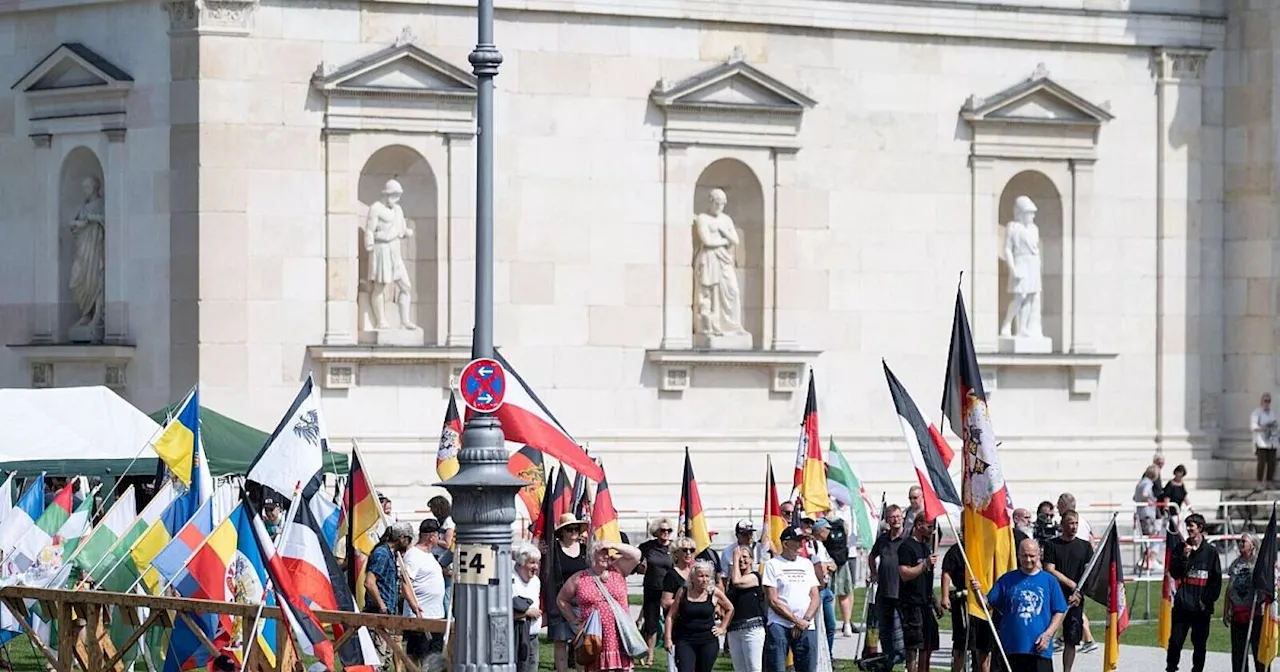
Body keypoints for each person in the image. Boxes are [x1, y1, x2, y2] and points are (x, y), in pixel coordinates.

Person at [971, 538, 1067, 672]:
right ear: (1018, 555)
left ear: (1039, 555)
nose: (1028, 560)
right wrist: (977, 592)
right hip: (1012, 649)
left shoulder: (1050, 581)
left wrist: (1048, 634)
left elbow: (1059, 611)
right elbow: (987, 605)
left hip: (1039, 649)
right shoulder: (1006, 580)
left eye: (1032, 556)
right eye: (1024, 556)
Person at [557, 540, 643, 672]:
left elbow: (636, 555)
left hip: (620, 637)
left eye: (607, 553)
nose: (606, 555)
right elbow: (562, 599)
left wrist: (612, 545)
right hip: (594, 638)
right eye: (602, 553)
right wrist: (573, 620)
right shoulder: (579, 577)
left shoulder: (618, 570)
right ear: (592, 555)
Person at [1167, 513, 1223, 672]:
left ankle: (1197, 669)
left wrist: (1206, 601)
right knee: (1176, 641)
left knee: (1199, 644)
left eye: (1192, 526)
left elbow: (1216, 580)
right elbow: (1175, 573)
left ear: (1200, 528)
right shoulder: (1181, 548)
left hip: (1201, 609)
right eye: (1187, 526)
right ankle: (1171, 667)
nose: (1189, 529)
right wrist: (1185, 557)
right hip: (1182, 606)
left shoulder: (1211, 552)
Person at [1042, 511, 1097, 671]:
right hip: (1055, 595)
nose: (1073, 527)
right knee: (1047, 633)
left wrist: (1079, 592)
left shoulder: (1085, 546)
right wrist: (1071, 584)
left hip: (1076, 598)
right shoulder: (1052, 545)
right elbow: (1049, 569)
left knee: (1071, 638)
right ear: (1063, 524)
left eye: (1076, 524)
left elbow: (1089, 573)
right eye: (1070, 523)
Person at [762, 526, 820, 672]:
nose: (801, 544)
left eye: (802, 540)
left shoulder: (806, 564)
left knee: (808, 667)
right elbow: (773, 600)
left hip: (806, 624)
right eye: (797, 541)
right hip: (780, 623)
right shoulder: (772, 565)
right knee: (777, 667)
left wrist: (805, 620)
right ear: (785, 543)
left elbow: (815, 596)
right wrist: (795, 620)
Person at [364, 523, 421, 669]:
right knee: (378, 660)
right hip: (378, 614)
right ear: (401, 538)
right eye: (408, 539)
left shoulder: (391, 554)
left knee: (385, 660)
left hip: (388, 614)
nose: (409, 543)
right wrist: (382, 606)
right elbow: (369, 582)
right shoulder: (382, 554)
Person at [665, 559, 734, 672]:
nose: (704, 579)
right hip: (685, 640)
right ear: (693, 577)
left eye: (707, 576)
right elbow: (670, 616)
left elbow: (730, 608)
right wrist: (668, 639)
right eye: (700, 576)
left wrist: (722, 627)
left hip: (708, 641)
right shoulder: (683, 592)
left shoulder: (714, 592)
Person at [546, 514, 590, 672]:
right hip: (560, 601)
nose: (573, 532)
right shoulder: (553, 551)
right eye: (569, 529)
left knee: (581, 643)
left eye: (576, 529)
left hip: (581, 603)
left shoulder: (585, 550)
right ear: (562, 532)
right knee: (561, 642)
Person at [896, 515, 941, 672]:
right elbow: (904, 573)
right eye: (929, 526)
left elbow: (927, 578)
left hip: (926, 603)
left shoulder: (925, 546)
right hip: (911, 603)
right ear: (919, 524)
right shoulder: (906, 547)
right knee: (914, 644)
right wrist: (925, 564)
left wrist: (936, 603)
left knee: (928, 643)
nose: (931, 530)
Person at [868, 505, 906, 671]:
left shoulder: (908, 538)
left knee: (902, 631)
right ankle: (887, 660)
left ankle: (904, 661)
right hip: (884, 592)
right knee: (884, 630)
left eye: (898, 516)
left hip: (902, 592)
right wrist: (873, 573)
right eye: (892, 517)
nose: (895, 519)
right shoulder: (883, 539)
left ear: (902, 517)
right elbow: (871, 555)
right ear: (887, 520)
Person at [403, 519, 446, 663]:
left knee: (434, 656)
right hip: (421, 614)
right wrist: (414, 606)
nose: (439, 539)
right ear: (432, 537)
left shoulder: (429, 555)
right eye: (438, 536)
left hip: (436, 614)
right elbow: (406, 583)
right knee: (417, 654)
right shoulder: (413, 555)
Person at [638, 518, 676, 666]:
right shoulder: (648, 546)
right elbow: (636, 562)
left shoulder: (674, 548)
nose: (666, 533)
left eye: (669, 530)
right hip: (652, 588)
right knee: (651, 623)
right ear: (657, 531)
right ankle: (650, 655)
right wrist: (640, 567)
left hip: (669, 590)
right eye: (663, 530)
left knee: (671, 620)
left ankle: (672, 654)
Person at [1225, 533, 1261, 672]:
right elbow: (1229, 588)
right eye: (1239, 542)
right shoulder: (1235, 564)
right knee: (1238, 654)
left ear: (1252, 545)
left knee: (1258, 651)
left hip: (1255, 614)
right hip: (1238, 614)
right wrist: (1226, 610)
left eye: (1243, 542)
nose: (1240, 544)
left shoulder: (1259, 564)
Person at [727, 546, 767, 672]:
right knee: (740, 669)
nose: (741, 560)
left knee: (754, 668)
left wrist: (734, 558)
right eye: (739, 557)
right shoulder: (731, 580)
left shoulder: (754, 577)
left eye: (744, 557)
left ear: (751, 560)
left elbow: (738, 582)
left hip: (752, 629)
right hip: (734, 629)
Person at [821, 509, 860, 637]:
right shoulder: (842, 523)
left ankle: (835, 623)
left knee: (831, 595)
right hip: (841, 560)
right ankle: (847, 624)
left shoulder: (822, 523)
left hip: (830, 561)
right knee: (843, 594)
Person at [806, 518, 838, 655]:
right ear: (820, 530)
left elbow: (832, 564)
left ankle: (828, 655)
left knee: (830, 625)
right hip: (817, 590)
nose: (829, 532)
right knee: (818, 626)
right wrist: (826, 566)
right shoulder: (811, 545)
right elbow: (820, 566)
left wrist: (826, 566)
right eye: (827, 529)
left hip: (826, 589)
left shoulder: (821, 546)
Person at [513, 542, 543, 672]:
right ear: (521, 563)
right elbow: (505, 612)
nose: (535, 567)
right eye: (532, 563)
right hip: (515, 637)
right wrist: (527, 613)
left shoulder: (536, 581)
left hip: (533, 637)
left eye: (537, 563)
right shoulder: (510, 580)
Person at [1252, 393, 1277, 488]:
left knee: (1272, 462)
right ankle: (1259, 482)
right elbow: (1253, 426)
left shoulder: (1272, 413)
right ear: (1261, 402)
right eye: (1265, 401)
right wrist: (1262, 427)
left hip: (1271, 441)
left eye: (1269, 401)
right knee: (1261, 462)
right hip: (1261, 441)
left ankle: (1269, 481)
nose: (1267, 403)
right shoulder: (1256, 413)